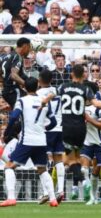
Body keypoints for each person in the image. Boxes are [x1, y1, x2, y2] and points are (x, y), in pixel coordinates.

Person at [41, 64, 101, 199]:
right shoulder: (85, 89)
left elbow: (50, 96)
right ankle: (82, 180)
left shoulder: (63, 87)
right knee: (78, 158)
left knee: (67, 160)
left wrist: (43, 103)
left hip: (67, 127)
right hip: (81, 128)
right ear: (84, 75)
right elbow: (96, 103)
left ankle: (84, 181)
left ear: (72, 74)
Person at [0, 77, 58, 207]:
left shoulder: (22, 101)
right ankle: (53, 199)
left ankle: (11, 197)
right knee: (42, 169)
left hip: (27, 141)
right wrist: (44, 129)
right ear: (37, 86)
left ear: (24, 88)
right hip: (41, 141)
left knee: (9, 167)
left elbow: (14, 116)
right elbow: (53, 123)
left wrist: (7, 133)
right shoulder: (44, 102)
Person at [36, 70, 65, 204]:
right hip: (59, 127)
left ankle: (47, 192)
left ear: (40, 80)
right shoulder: (56, 90)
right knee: (59, 159)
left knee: (43, 161)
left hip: (46, 129)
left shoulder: (38, 94)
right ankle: (61, 190)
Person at [1, 37, 30, 109]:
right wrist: (27, 85)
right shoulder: (17, 56)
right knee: (21, 110)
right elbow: (13, 75)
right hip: (13, 90)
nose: (29, 50)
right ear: (25, 46)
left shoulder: (6, 56)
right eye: (29, 48)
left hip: (5, 90)